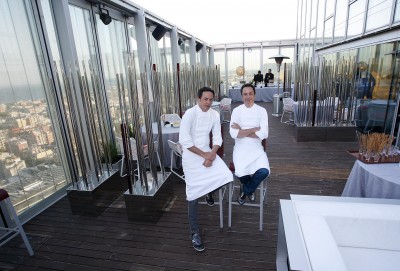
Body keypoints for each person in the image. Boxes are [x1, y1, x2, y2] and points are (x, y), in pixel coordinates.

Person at [179, 87, 233, 252]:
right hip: (191, 156)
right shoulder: (190, 114)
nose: (208, 102)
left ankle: (209, 191)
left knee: (227, 176)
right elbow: (184, 140)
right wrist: (205, 156)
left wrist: (212, 154)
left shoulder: (214, 114)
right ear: (198, 99)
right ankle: (194, 232)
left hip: (208, 152)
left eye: (211, 99)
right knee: (193, 195)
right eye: (205, 99)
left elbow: (217, 137)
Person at [229, 83, 270, 205]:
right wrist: (254, 129)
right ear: (242, 96)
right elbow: (233, 133)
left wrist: (242, 130)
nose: (248, 96)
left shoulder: (262, 111)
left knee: (264, 171)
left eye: (250, 94)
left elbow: (264, 134)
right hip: (240, 148)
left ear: (254, 95)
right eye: (245, 94)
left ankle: (245, 190)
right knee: (240, 173)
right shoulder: (236, 111)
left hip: (257, 148)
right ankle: (249, 189)